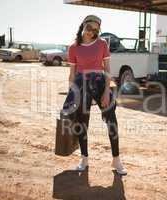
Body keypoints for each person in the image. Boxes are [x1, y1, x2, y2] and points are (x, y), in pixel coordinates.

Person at [66, 15, 127, 175]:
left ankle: (116, 160)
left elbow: (107, 69)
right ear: (83, 26)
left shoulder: (102, 44)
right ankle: (84, 158)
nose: (91, 32)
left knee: (111, 121)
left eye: (95, 30)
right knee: (81, 122)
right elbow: (72, 73)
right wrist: (71, 93)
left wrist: (107, 91)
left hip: (100, 82)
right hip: (80, 84)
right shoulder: (73, 47)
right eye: (89, 28)